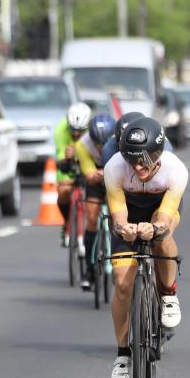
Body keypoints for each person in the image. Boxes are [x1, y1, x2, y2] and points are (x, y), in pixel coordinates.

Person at [104, 115, 188, 378]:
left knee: (162, 236)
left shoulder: (176, 170)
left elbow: (165, 215)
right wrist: (123, 227)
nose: (137, 166)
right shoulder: (114, 167)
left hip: (159, 208)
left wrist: (155, 227)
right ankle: (123, 355)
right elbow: (117, 214)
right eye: (131, 159)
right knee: (122, 284)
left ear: (158, 154)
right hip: (129, 210)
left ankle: (168, 294)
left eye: (144, 159)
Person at [74, 112, 116, 290]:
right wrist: (95, 174)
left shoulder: (119, 142)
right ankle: (90, 269)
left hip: (114, 176)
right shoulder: (82, 145)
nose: (101, 147)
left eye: (105, 143)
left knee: (117, 215)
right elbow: (89, 174)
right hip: (95, 179)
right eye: (97, 143)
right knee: (91, 217)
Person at [54, 102, 93, 245]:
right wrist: (67, 158)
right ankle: (67, 222)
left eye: (81, 130)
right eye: (72, 129)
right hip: (67, 164)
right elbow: (60, 162)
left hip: (88, 161)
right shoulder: (60, 130)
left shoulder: (93, 131)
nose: (76, 134)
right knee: (64, 190)